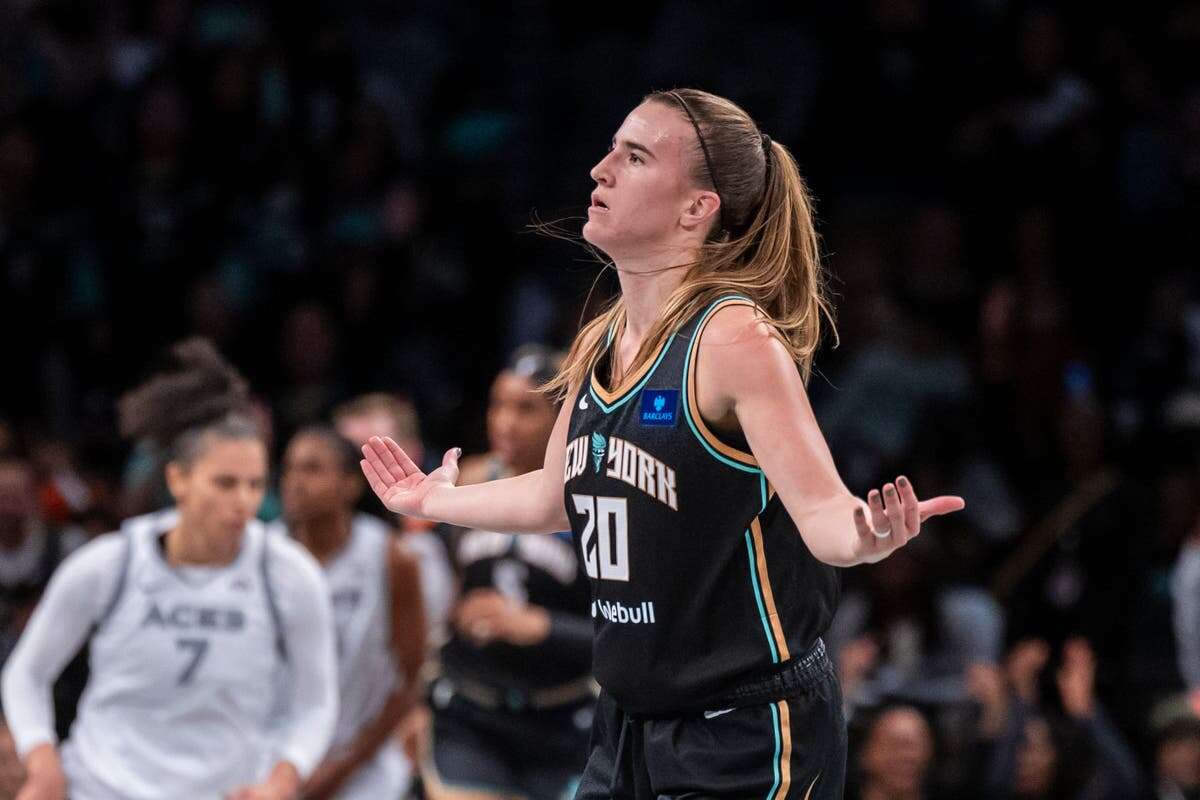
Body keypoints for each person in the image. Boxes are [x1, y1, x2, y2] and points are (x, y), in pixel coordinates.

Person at [359, 88, 965, 798]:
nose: (599, 170)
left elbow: (826, 516)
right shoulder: (602, 337)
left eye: (634, 156)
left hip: (746, 732)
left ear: (695, 209)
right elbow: (558, 493)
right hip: (628, 727)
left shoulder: (733, 338)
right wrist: (440, 498)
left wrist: (868, 536)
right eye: (612, 148)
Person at [1, 339, 338, 800]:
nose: (242, 502)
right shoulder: (110, 563)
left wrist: (284, 777)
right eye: (224, 483)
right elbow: (26, 673)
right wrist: (42, 763)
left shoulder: (289, 574)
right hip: (102, 785)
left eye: (255, 484)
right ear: (178, 479)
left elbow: (317, 700)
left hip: (224, 790)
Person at [426, 345, 593, 799]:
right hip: (471, 712)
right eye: (498, 404)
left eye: (526, 408)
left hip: (564, 718)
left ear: (562, 417)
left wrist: (541, 626)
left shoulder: (593, 498)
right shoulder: (460, 488)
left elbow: (628, 631)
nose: (505, 422)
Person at [273, 426, 426, 799]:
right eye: (290, 469)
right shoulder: (263, 554)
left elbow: (409, 676)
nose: (295, 482)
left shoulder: (390, 557)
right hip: (274, 757)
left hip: (361, 762)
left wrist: (343, 767)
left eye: (312, 469)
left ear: (350, 485)